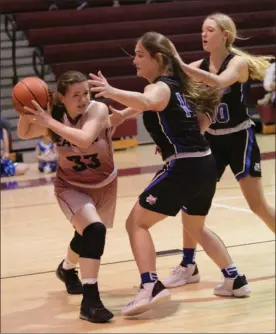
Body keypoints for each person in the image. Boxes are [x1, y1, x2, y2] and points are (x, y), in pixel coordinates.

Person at [89, 31, 251, 317]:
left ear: (158, 58)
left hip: (185, 165)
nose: (135, 61)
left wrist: (111, 91)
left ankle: (150, 285)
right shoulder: (178, 85)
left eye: (140, 55)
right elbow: (196, 119)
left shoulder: (161, 87)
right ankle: (234, 279)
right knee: (196, 227)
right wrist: (128, 118)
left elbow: (149, 101)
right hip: (204, 162)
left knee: (135, 224)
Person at [162, 12, 276, 289]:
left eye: (209, 30)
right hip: (211, 141)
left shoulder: (236, 63)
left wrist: (180, 65)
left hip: (240, 138)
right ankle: (188, 264)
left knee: (257, 204)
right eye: (202, 29)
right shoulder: (197, 66)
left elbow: (219, 82)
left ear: (225, 34)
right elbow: (165, 89)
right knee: (191, 202)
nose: (203, 34)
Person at [17, 71, 117, 323]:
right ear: (61, 98)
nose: (84, 99)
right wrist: (25, 109)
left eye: (86, 92)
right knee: (94, 231)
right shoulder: (55, 117)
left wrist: (48, 121)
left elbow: (84, 140)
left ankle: (66, 268)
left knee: (86, 234)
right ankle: (90, 301)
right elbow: (24, 133)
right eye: (76, 95)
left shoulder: (98, 110)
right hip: (71, 186)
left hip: (104, 184)